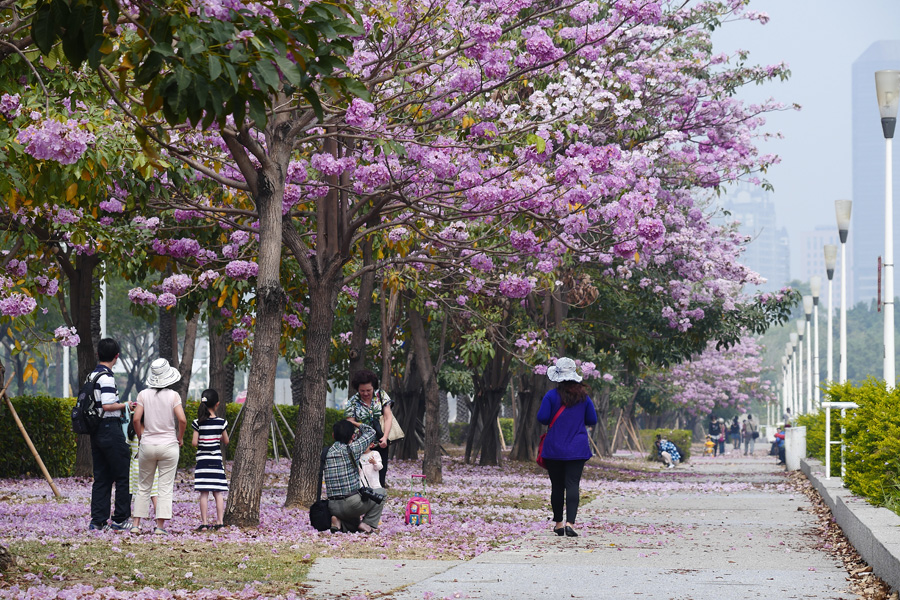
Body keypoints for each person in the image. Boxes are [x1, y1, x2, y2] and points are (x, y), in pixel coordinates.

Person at [536, 357, 597, 538]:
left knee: (557, 486)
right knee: (572, 485)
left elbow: (542, 418)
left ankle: (559, 523)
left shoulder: (551, 396)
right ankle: (571, 522)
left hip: (554, 448)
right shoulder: (584, 398)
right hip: (577, 449)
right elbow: (592, 420)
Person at [131, 359, 186, 535]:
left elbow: (136, 419)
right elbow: (182, 419)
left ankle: (136, 525)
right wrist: (180, 437)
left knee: (143, 485)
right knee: (164, 486)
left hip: (147, 445)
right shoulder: (173, 396)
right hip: (169, 445)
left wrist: (141, 437)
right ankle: (160, 527)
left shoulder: (143, 395)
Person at [88, 338, 132, 531]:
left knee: (102, 477)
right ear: (117, 356)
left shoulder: (91, 376)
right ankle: (120, 519)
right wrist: (126, 405)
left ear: (98, 354)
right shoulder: (106, 377)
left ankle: (97, 521)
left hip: (96, 430)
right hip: (109, 428)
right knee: (123, 475)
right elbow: (107, 405)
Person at [325, 420, 385, 533]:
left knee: (353, 525)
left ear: (333, 435)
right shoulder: (354, 449)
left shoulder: (327, 452)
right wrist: (354, 422)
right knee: (381, 493)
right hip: (351, 504)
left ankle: (338, 521)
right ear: (353, 436)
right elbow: (371, 431)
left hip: (332, 506)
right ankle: (367, 524)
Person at [345, 370, 395, 488]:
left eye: (369, 390)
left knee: (380, 471)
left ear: (374, 387)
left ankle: (378, 496)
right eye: (362, 390)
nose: (366, 393)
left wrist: (385, 437)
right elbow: (350, 422)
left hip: (380, 440)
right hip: (361, 444)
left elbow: (388, 416)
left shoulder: (381, 396)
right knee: (362, 474)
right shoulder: (353, 402)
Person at [192, 389, 229, 531]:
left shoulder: (198, 422)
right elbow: (226, 441)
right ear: (217, 404)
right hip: (216, 462)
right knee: (218, 493)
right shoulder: (221, 422)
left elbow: (195, 443)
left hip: (202, 462)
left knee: (204, 494)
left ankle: (205, 523)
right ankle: (220, 522)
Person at [127, 414, 159, 513]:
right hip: (150, 464)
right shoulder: (149, 433)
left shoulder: (131, 433)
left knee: (139, 494)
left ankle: (137, 520)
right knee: (154, 494)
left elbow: (128, 445)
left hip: (136, 465)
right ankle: (158, 517)